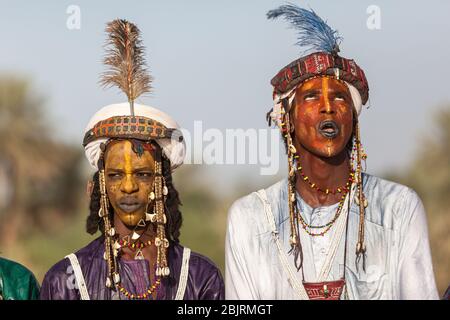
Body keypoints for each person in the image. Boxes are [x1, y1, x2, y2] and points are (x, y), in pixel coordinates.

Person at [225, 5, 438, 300]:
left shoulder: (397, 208)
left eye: (339, 96)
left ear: (352, 116)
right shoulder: (251, 217)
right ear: (287, 118)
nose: (328, 106)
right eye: (311, 96)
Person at [40, 19, 224, 300]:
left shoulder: (199, 277)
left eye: (142, 174)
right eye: (115, 175)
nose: (128, 187)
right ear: (100, 184)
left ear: (162, 182)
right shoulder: (65, 280)